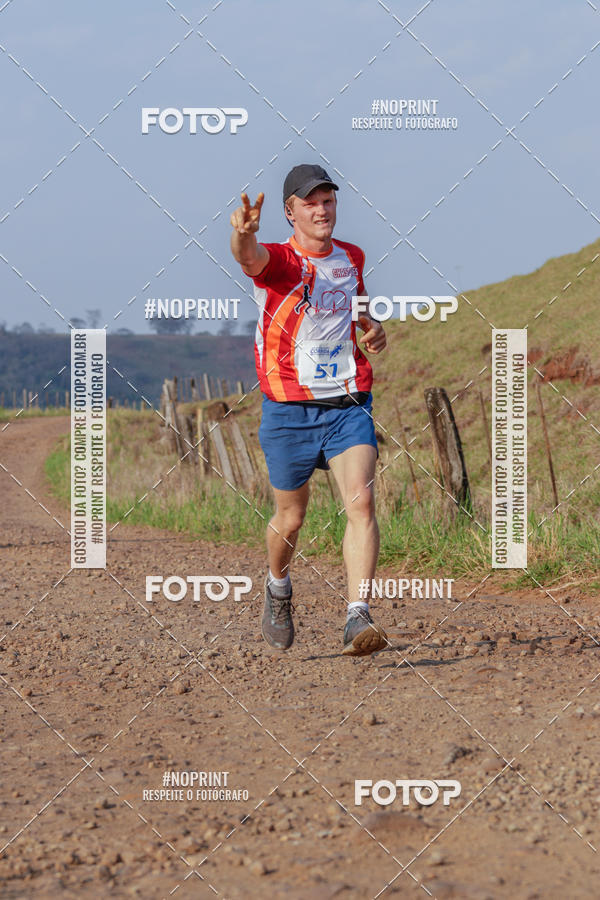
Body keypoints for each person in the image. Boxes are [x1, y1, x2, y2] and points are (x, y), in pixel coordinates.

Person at [229, 163, 388, 656]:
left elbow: (356, 305)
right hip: (288, 410)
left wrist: (372, 327)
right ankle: (278, 586)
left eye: (328, 200)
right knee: (291, 518)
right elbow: (248, 257)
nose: (322, 210)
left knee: (360, 503)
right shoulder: (278, 260)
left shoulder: (352, 257)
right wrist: (244, 235)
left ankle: (357, 616)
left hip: (346, 404)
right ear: (290, 212)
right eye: (310, 202)